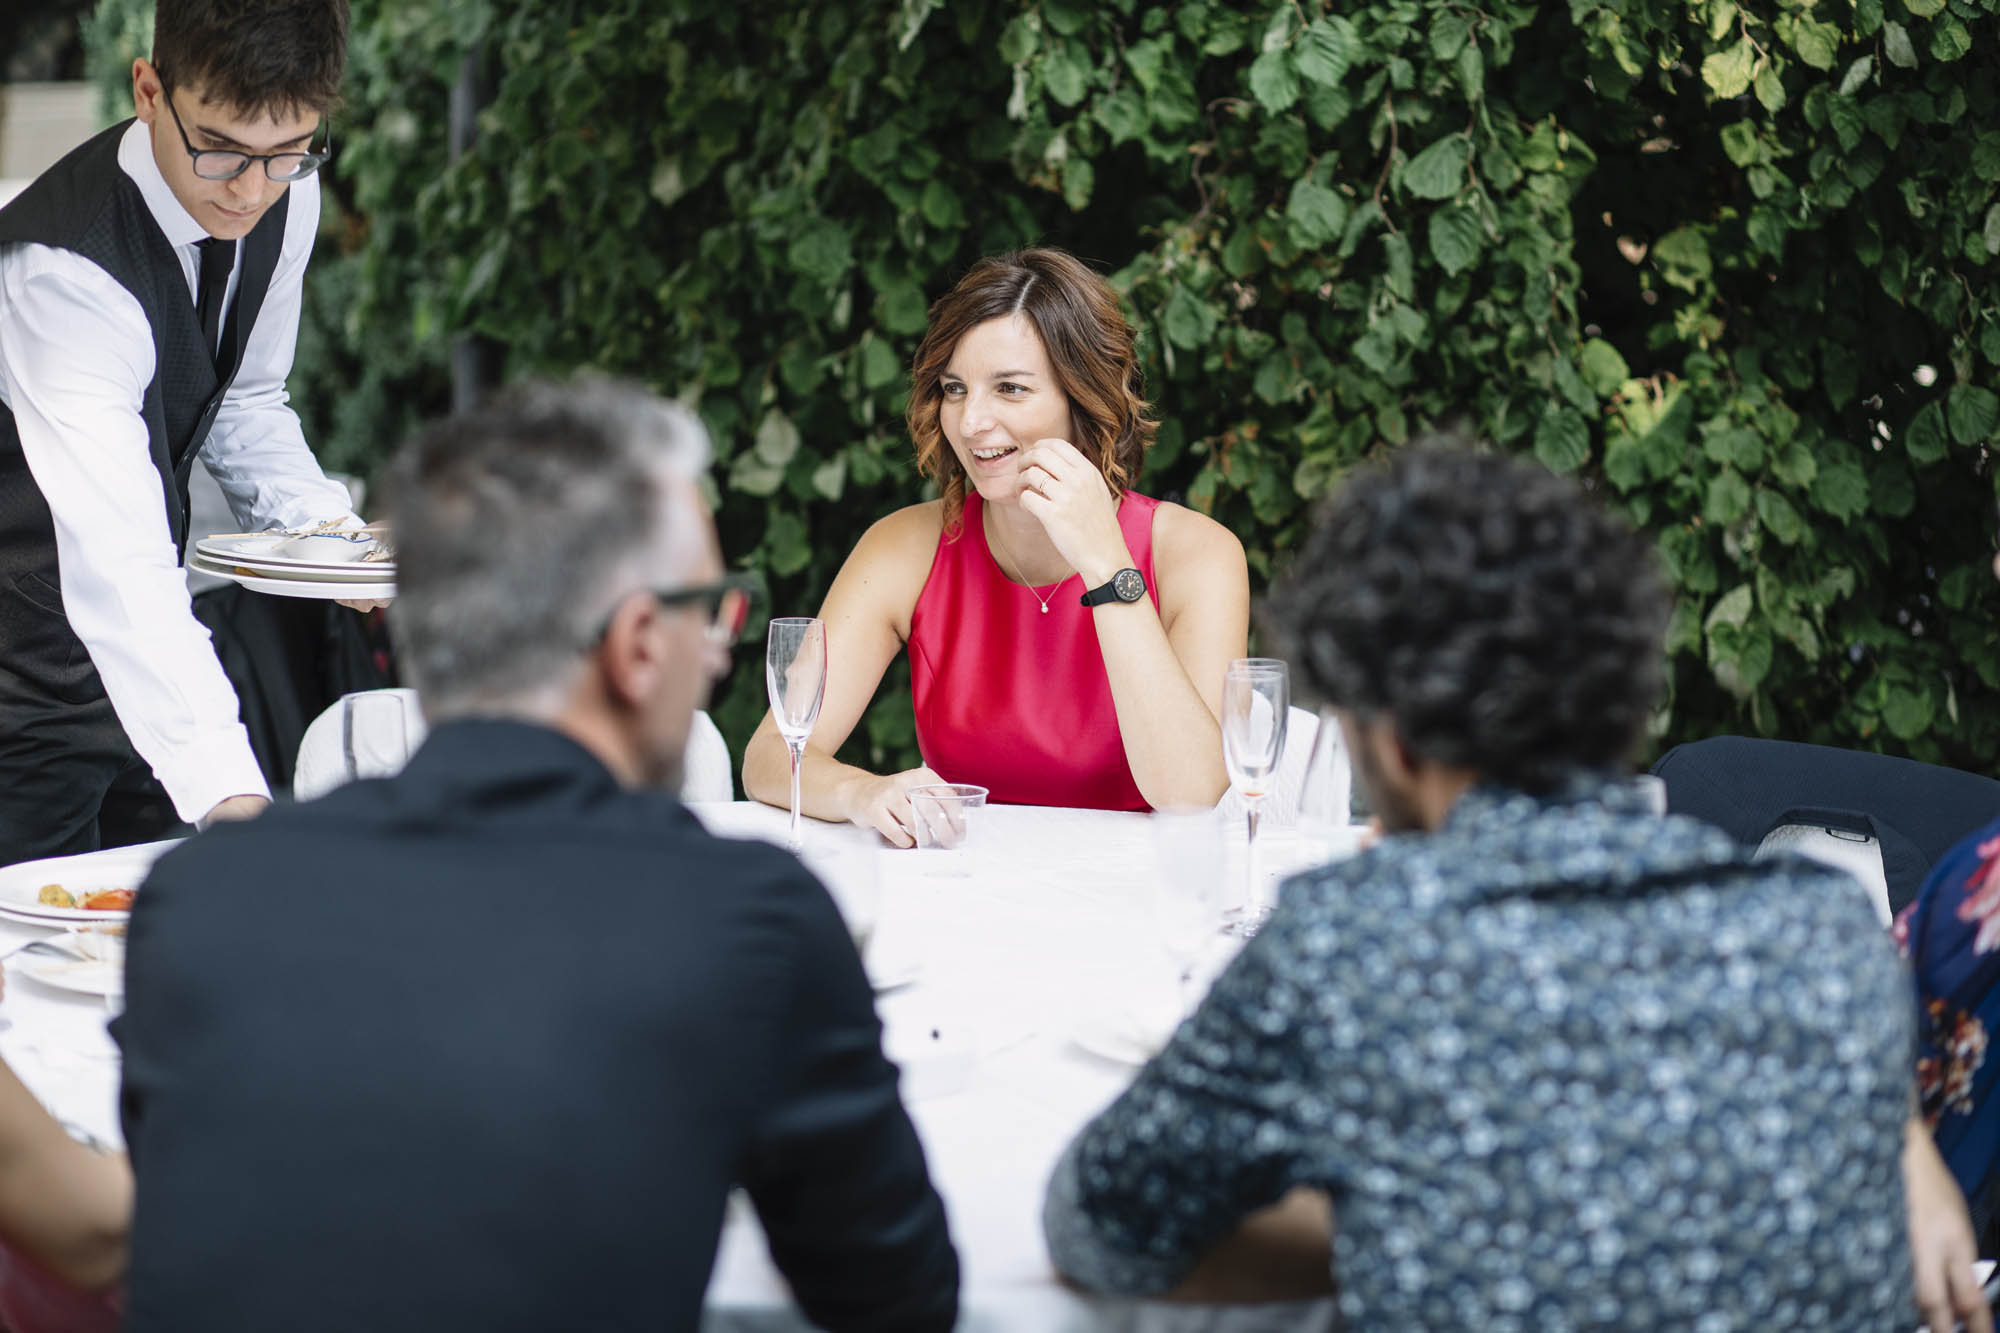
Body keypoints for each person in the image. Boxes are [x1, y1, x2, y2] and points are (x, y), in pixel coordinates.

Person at [1043, 444, 1988, 1332]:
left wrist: (1375, 1235)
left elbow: (1101, 1225)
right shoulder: (1825, 931)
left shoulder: (1346, 943)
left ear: (1389, 740)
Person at [112, 381, 959, 1331]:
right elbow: (895, 1299)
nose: (721, 654)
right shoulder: (747, 921)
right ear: (640, 641)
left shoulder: (198, 900)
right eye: (715, 612)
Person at [0, 0, 380, 866]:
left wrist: (331, 540)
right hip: (18, 704)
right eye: (219, 147)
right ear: (148, 90)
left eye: (287, 152)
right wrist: (234, 794)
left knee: (166, 965)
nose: (250, 190)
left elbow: (244, 400)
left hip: (154, 690)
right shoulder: (63, 274)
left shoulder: (288, 192)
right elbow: (118, 557)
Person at [742, 247, 1248, 843]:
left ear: (1083, 398)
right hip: (963, 889)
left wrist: (1106, 563)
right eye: (955, 389)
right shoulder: (905, 547)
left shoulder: (1198, 555)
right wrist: (864, 791)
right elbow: (772, 756)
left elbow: (1191, 793)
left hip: (1138, 899)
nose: (971, 421)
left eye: (1009, 388)